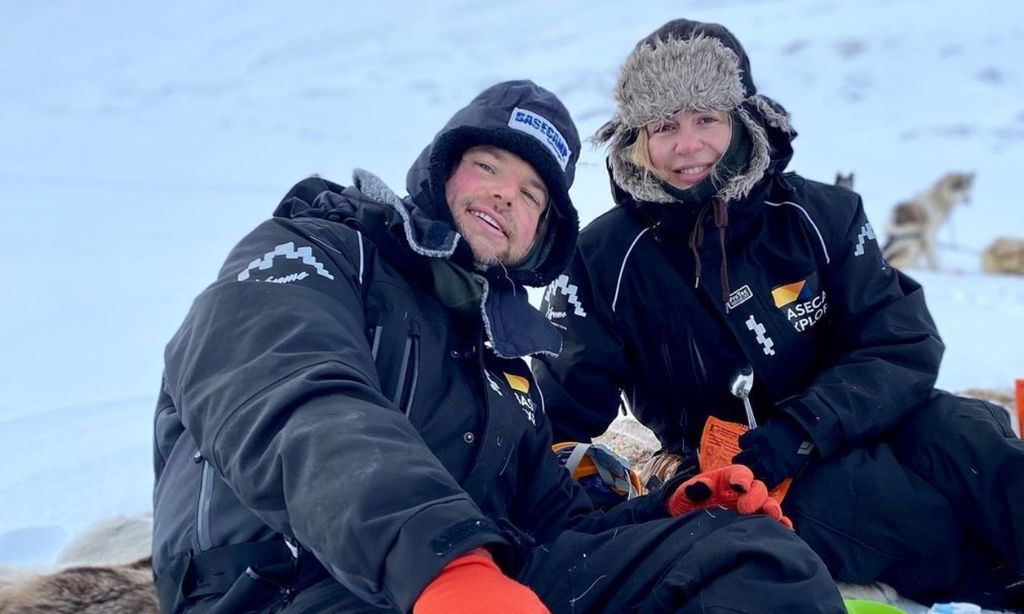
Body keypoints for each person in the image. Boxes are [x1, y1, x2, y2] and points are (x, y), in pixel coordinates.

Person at [151, 80, 845, 613]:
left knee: (751, 557)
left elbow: (549, 522)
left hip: (472, 579)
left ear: (542, 233)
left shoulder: (501, 363)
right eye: (488, 167)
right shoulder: (318, 253)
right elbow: (297, 401)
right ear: (440, 169)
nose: (506, 197)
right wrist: (444, 564)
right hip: (288, 584)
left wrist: (670, 512)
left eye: (533, 194)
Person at [533, 18, 1024, 612]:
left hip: (859, 414)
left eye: (706, 119)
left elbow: (900, 341)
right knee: (870, 505)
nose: (688, 146)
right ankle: (985, 588)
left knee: (968, 434)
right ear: (638, 141)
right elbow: (560, 406)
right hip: (740, 462)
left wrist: (804, 427)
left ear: (743, 120)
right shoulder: (603, 258)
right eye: (665, 126)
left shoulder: (824, 214)